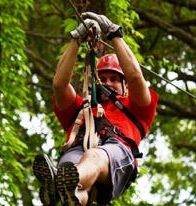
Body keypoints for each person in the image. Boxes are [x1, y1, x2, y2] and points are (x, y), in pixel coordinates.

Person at [33, 12, 158, 206]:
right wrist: (76, 39)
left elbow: (134, 76)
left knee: (92, 157)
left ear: (124, 86)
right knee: (74, 185)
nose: (107, 83)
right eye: (103, 78)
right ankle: (64, 194)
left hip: (116, 152)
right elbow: (59, 85)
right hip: (78, 150)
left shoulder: (137, 108)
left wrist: (114, 33)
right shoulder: (80, 109)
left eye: (114, 79)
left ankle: (57, 187)